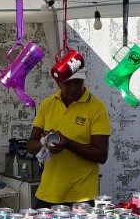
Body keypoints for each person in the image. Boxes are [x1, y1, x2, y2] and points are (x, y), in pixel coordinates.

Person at [28, 69, 111, 208]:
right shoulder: (47, 105)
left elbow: (101, 155)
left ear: (84, 81)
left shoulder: (97, 108)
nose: (73, 88)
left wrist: (67, 144)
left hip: (81, 197)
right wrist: (45, 143)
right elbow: (31, 145)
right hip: (48, 193)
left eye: (78, 82)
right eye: (67, 83)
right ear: (58, 82)